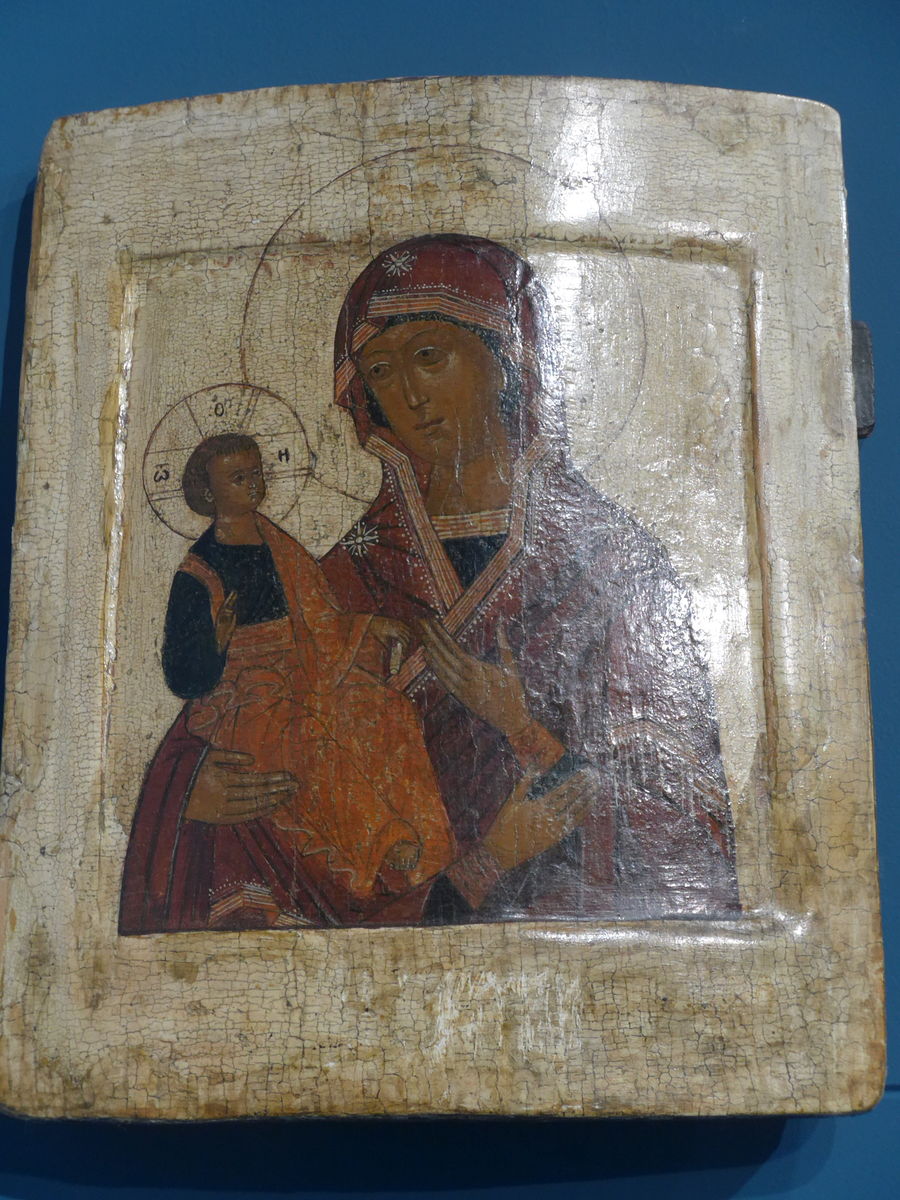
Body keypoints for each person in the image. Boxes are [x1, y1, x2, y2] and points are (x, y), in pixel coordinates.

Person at [119, 233, 738, 933]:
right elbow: (234, 719)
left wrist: (521, 729)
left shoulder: (614, 567)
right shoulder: (343, 573)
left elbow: (682, 832)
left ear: (507, 358)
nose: (410, 395)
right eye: (382, 371)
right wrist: (188, 794)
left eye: (429, 357)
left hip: (555, 938)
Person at [120, 433, 454, 930]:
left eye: (256, 472)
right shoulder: (197, 572)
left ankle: (426, 838)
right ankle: (378, 839)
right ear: (209, 493)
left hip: (304, 669)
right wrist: (217, 642)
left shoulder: (277, 544)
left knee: (384, 709)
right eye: (238, 477)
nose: (253, 484)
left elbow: (319, 620)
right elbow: (184, 675)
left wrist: (367, 627)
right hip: (241, 692)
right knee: (301, 732)